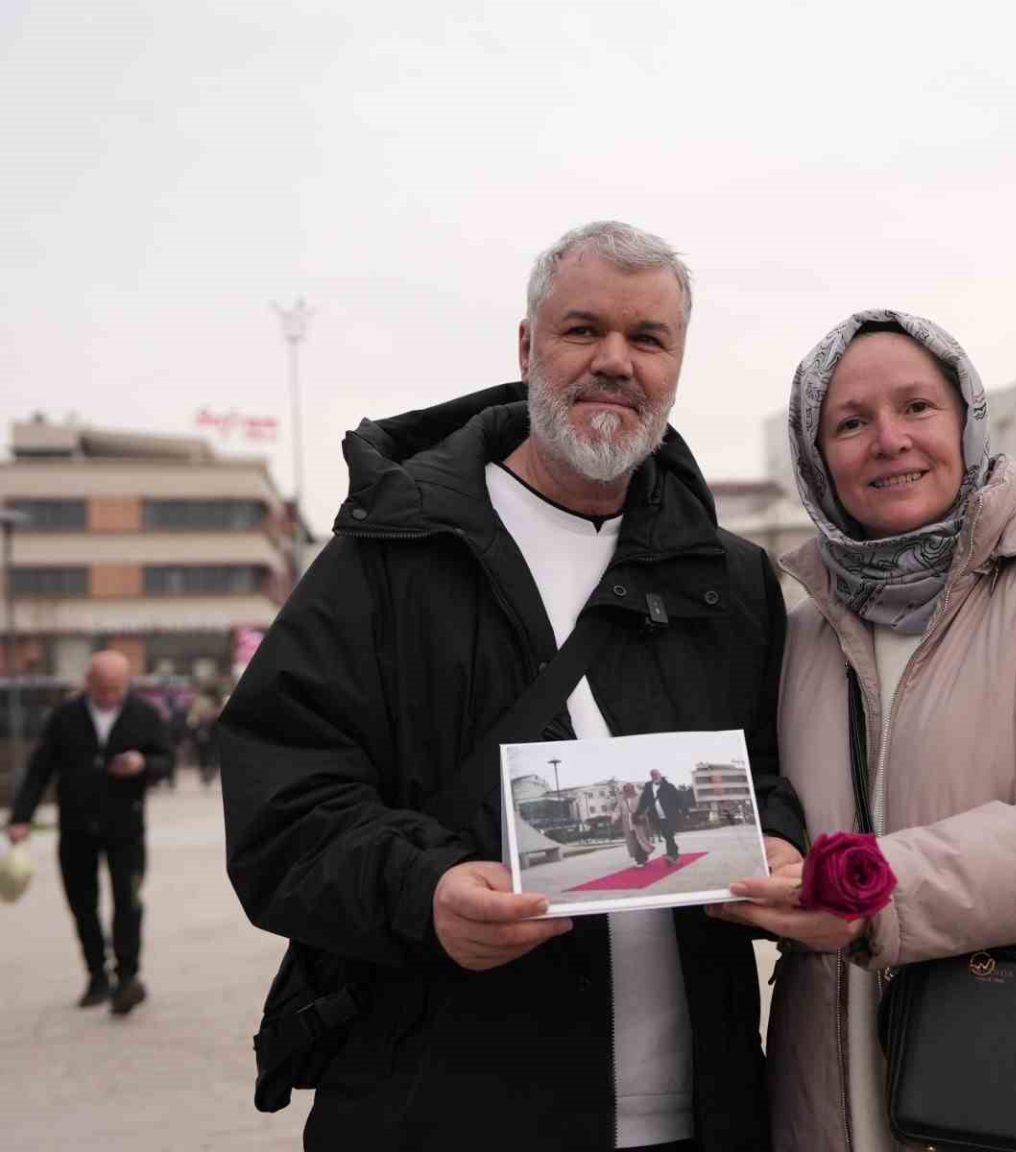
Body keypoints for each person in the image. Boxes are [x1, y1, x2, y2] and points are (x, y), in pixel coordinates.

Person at [218, 221, 806, 1151]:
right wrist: (424, 891)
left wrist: (777, 840)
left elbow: (773, 771)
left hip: (705, 1114)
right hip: (442, 1109)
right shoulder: (388, 557)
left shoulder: (731, 581)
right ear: (527, 347)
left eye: (648, 338)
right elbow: (281, 806)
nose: (615, 361)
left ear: (677, 366)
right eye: (583, 330)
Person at [714, 311, 1016, 1150]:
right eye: (850, 423)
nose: (890, 440)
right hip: (840, 1089)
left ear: (966, 422)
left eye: (917, 407)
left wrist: (877, 894)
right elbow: (771, 803)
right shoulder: (802, 632)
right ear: (816, 457)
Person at [6, 649, 172, 1015]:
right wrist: (21, 818)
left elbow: (166, 761)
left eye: (116, 688)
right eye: (102, 688)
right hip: (76, 827)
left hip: (125, 827)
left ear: (127, 684)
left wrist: (143, 764)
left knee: (128, 901)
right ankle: (97, 976)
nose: (109, 695)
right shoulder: (64, 716)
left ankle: (127, 977)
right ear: (87, 682)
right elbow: (39, 769)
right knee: (82, 904)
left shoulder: (144, 714)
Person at [636, 767, 683, 865]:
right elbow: (643, 801)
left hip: (669, 815)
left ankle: (671, 854)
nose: (655, 776)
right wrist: (640, 813)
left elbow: (678, 799)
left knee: (668, 834)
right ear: (651, 776)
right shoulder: (648, 787)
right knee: (667, 835)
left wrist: (683, 811)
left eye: (656, 774)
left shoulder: (668, 786)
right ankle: (674, 854)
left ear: (660, 775)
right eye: (653, 775)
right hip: (656, 816)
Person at [612, 782, 655, 867]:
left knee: (641, 840)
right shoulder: (622, 800)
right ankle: (640, 859)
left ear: (633, 789)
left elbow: (646, 807)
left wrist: (643, 815)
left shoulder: (639, 797)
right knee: (633, 842)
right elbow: (617, 810)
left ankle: (641, 860)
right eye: (626, 789)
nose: (628, 791)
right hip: (628, 823)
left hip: (638, 822)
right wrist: (614, 818)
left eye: (630, 789)